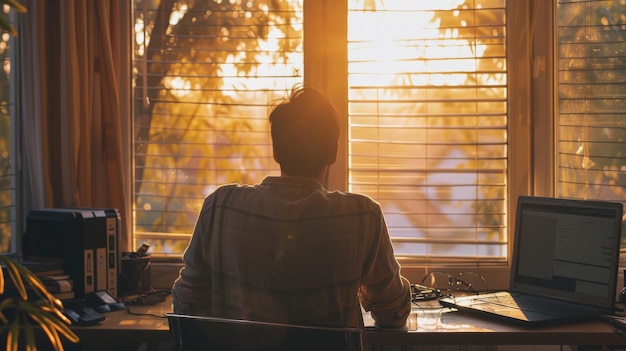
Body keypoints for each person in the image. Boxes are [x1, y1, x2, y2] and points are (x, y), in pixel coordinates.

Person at [172, 84, 411, 329]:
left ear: (276, 150)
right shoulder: (362, 216)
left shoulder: (220, 207)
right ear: (334, 153)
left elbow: (186, 305)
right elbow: (393, 313)